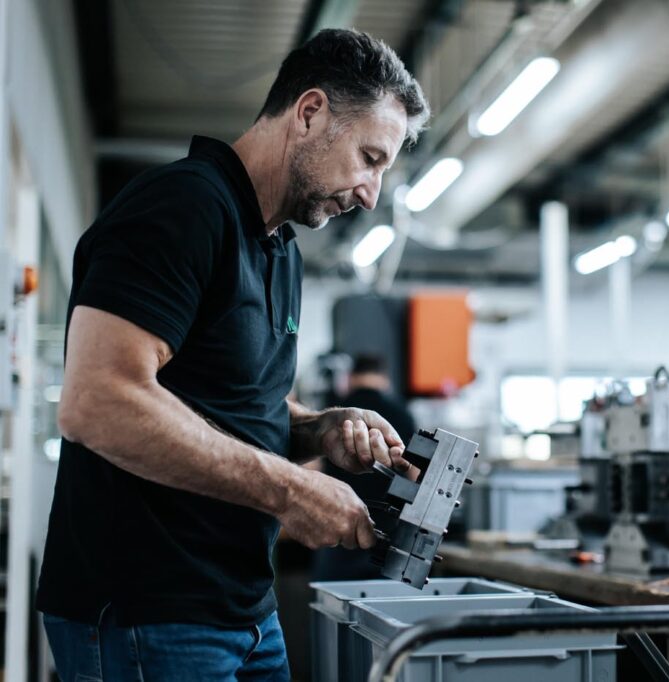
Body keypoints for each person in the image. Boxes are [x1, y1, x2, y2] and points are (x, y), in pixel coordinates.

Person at [36, 29, 429, 681]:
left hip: (245, 612)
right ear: (309, 113)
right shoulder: (184, 210)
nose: (371, 194)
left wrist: (315, 428)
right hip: (148, 616)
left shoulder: (278, 251)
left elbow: (230, 400)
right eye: (369, 157)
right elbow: (97, 400)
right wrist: (289, 488)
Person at [312, 353, 416, 581]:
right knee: (380, 608)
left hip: (337, 529)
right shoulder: (402, 415)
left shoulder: (334, 415)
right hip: (388, 535)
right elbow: (415, 473)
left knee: (333, 604)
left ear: (350, 377)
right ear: (384, 379)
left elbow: (314, 467)